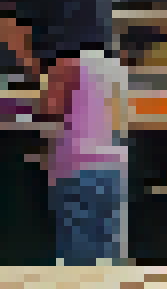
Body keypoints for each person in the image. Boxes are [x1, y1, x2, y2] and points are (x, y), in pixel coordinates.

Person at [40, 24, 131, 265]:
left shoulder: (65, 66)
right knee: (110, 251)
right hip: (114, 167)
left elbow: (49, 109)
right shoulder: (116, 67)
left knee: (77, 256)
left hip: (76, 167)